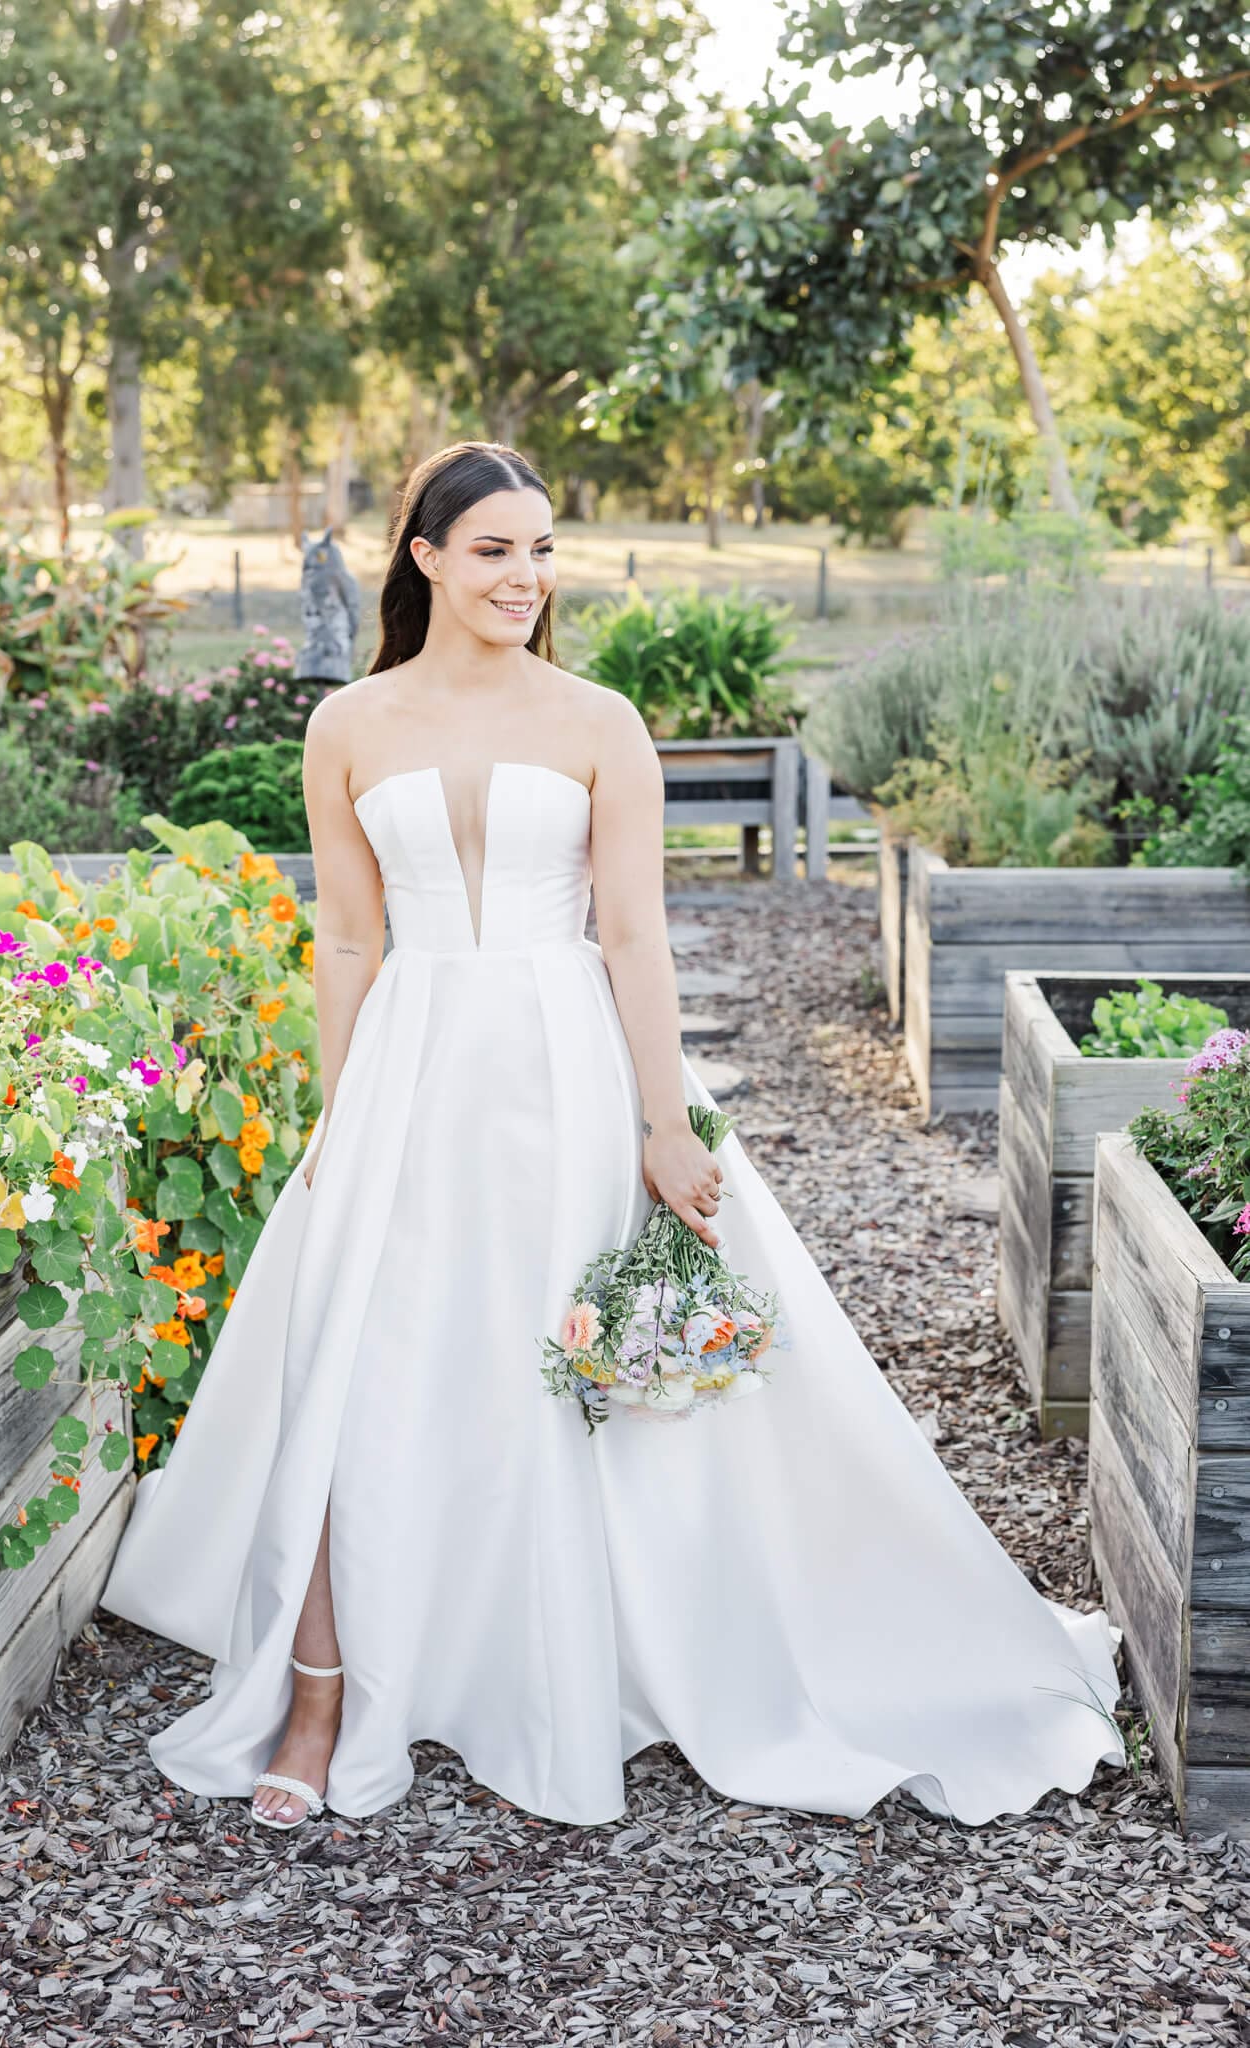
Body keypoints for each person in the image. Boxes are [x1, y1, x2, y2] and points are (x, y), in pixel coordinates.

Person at [99, 439, 1125, 1832]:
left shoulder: (597, 719)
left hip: (557, 1068)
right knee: (357, 1365)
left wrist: (663, 1123)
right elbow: (345, 936)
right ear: (425, 558)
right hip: (407, 1063)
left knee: (557, 1366)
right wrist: (340, 1120)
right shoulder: (349, 724)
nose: (523, 577)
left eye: (539, 551)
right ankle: (323, 1690)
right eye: (492, 551)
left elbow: (632, 934)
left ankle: (557, 1666)